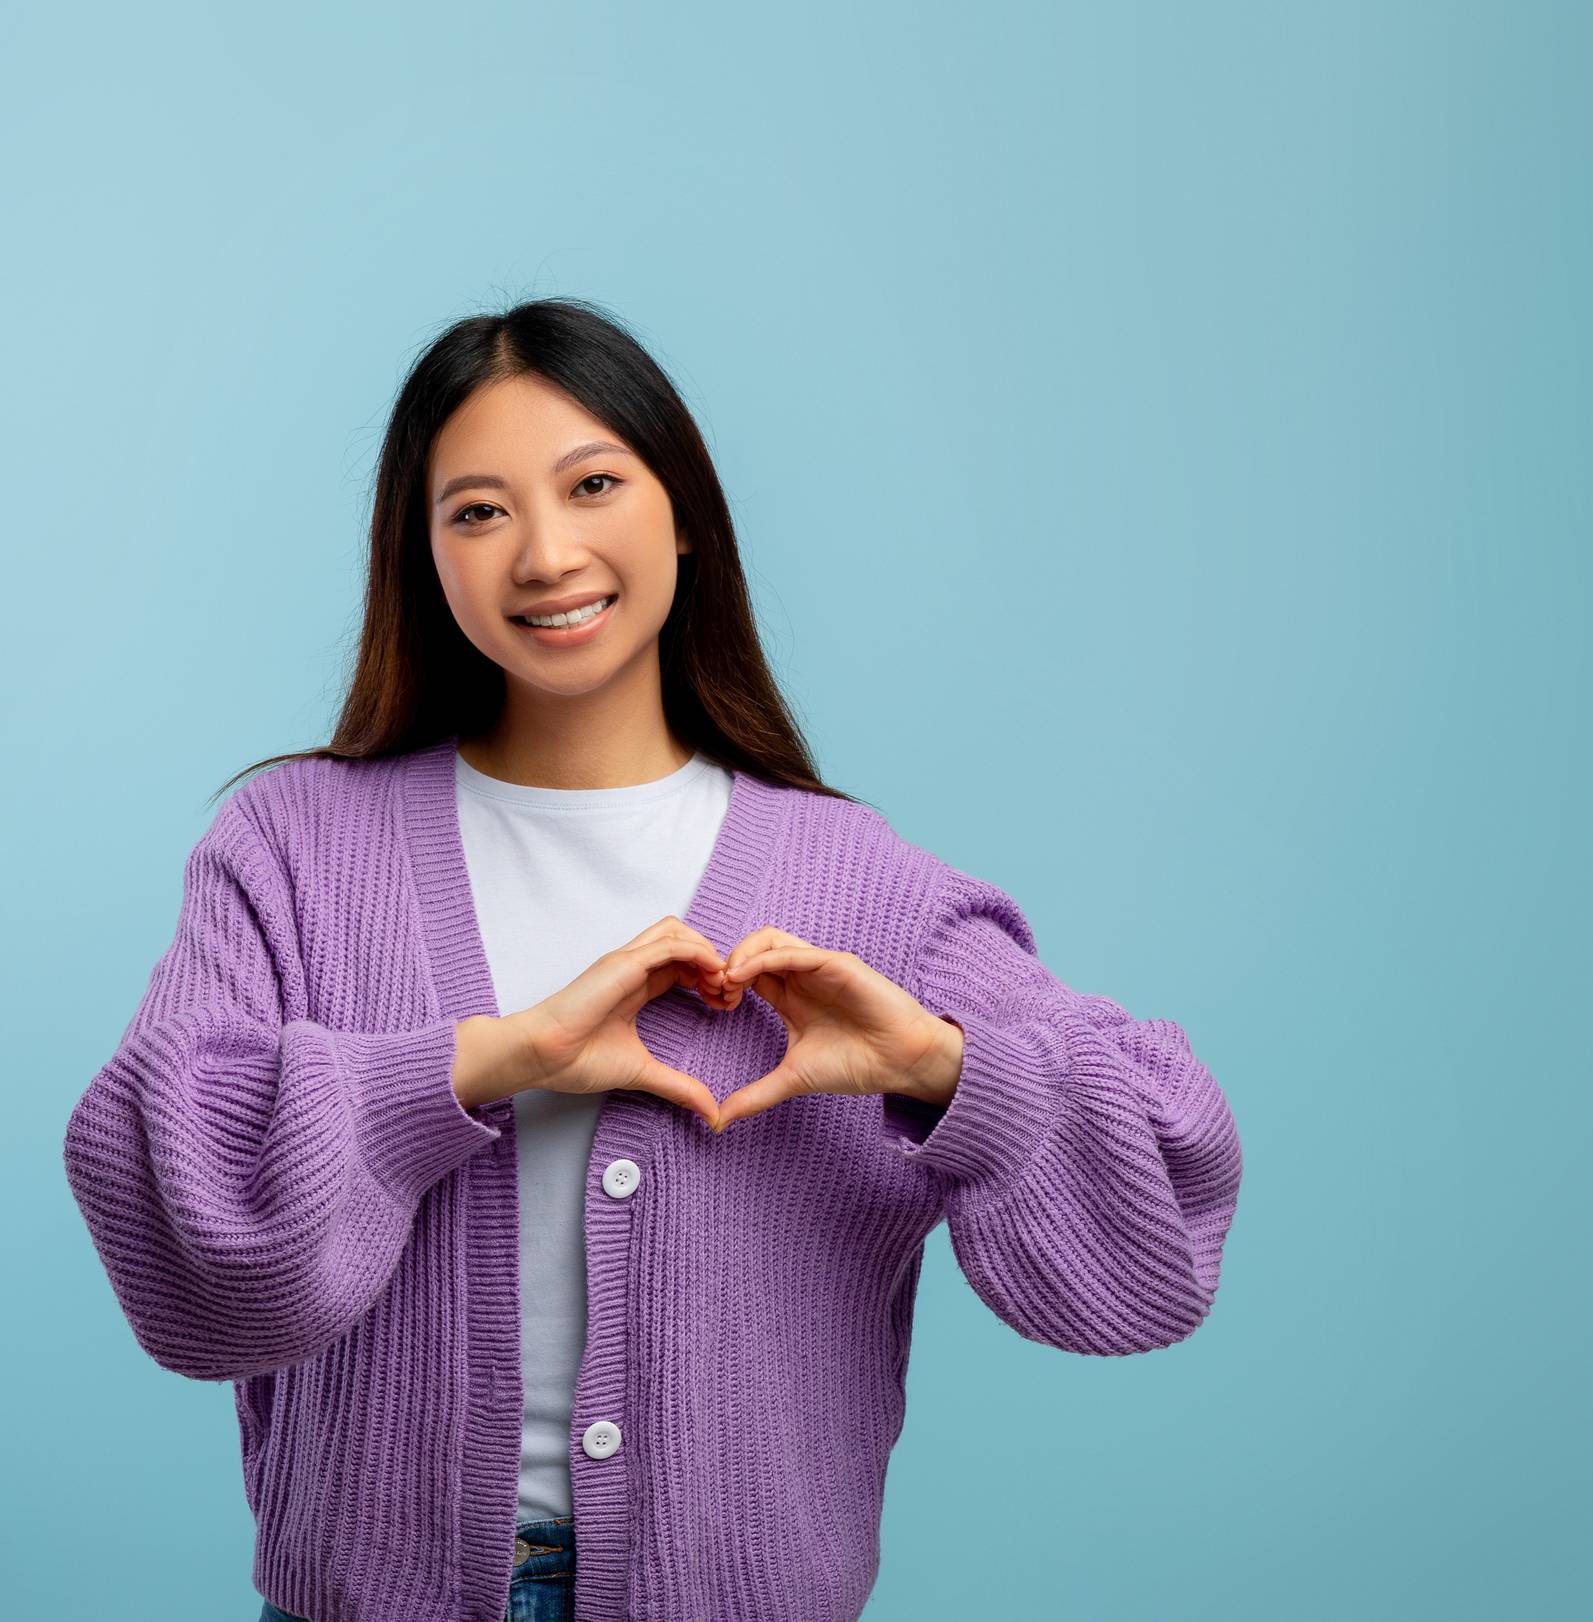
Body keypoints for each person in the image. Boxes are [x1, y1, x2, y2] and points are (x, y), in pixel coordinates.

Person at [62, 297, 1245, 1622]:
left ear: (682, 509)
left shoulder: (863, 883)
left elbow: (1160, 1227)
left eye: (593, 484)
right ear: (424, 556)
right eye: (478, 510)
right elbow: (168, 1218)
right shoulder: (290, 845)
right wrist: (486, 1061)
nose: (546, 552)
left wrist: (939, 1069)